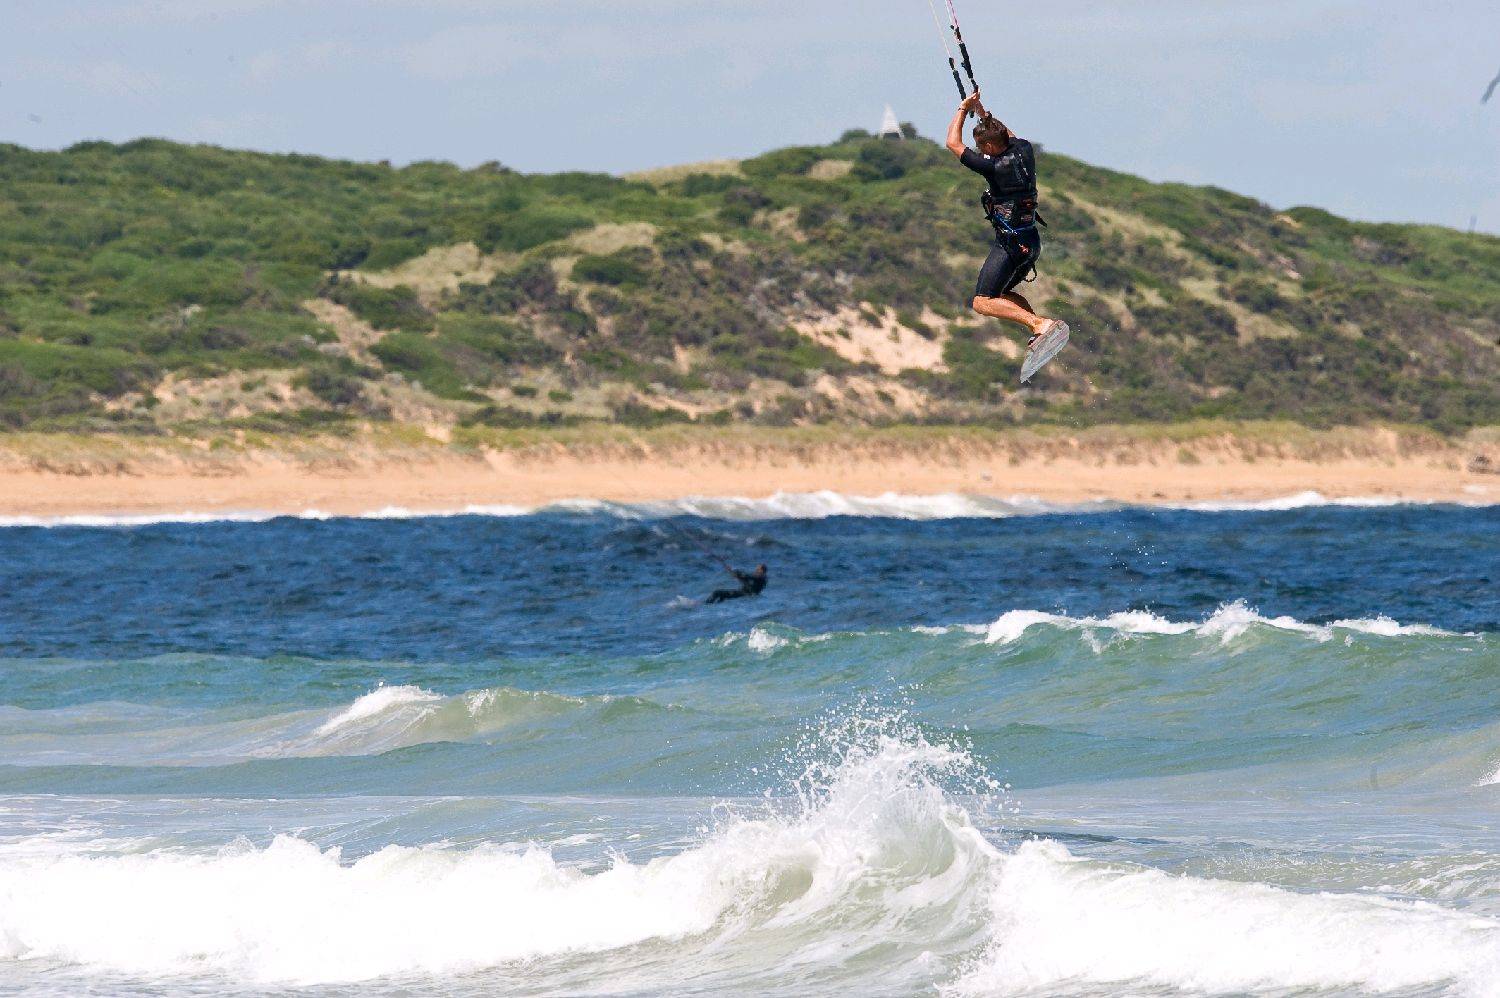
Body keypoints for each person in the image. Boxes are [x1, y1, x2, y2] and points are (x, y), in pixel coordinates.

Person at [945, 91, 1067, 347]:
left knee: (983, 301)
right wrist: (980, 111)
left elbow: (953, 143)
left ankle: (1040, 324)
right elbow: (1006, 134)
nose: (979, 151)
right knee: (1001, 294)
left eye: (981, 147)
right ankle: (1043, 330)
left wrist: (963, 108)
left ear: (988, 147)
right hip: (1030, 241)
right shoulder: (1024, 149)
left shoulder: (992, 166)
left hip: (1011, 245)